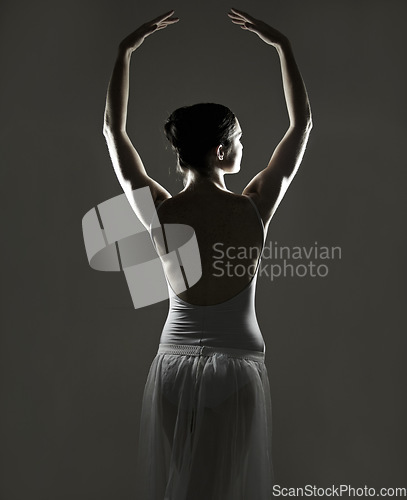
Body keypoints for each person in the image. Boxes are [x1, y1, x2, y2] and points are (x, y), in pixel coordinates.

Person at [103, 8, 312, 500]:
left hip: (174, 365)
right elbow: (301, 125)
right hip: (237, 369)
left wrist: (123, 53)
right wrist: (282, 45)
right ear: (221, 150)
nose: (244, 144)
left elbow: (114, 133)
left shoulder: (160, 209)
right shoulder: (255, 204)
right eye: (238, 138)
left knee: (187, 489)